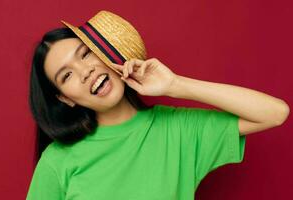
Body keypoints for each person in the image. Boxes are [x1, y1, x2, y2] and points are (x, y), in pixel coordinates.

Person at [26, 13, 289, 200]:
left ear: (106, 51)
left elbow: (275, 113)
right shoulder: (57, 161)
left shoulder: (177, 129)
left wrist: (175, 85)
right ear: (65, 98)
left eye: (85, 54)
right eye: (67, 75)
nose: (85, 71)